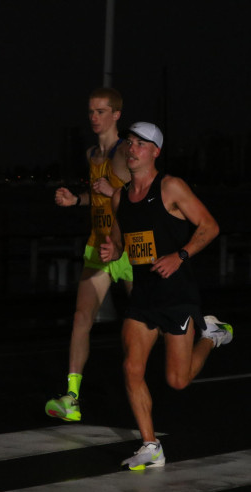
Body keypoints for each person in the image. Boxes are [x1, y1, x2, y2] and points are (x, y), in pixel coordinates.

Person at [99, 122, 233, 470]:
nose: (132, 149)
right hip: (143, 297)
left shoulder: (171, 186)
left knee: (177, 380)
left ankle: (211, 336)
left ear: (155, 152)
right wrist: (112, 251)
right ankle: (150, 444)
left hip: (176, 295)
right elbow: (119, 242)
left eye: (141, 144)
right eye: (130, 143)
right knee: (131, 367)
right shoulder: (119, 197)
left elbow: (210, 226)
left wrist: (180, 255)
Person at [46, 88, 133, 422]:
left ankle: (202, 326)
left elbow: (142, 195)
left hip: (128, 247)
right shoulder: (92, 154)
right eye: (91, 112)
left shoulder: (125, 151)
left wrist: (116, 191)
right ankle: (71, 397)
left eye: (101, 111)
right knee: (81, 318)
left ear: (116, 115)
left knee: (151, 318)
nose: (94, 118)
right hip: (99, 244)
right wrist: (76, 200)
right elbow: (97, 197)